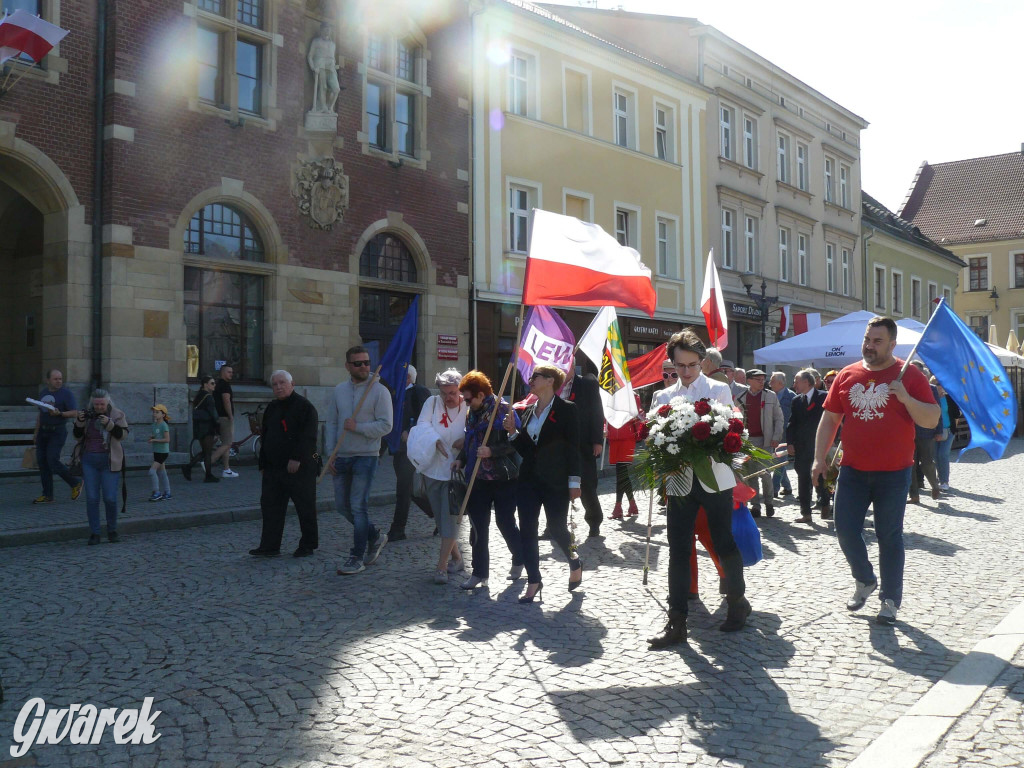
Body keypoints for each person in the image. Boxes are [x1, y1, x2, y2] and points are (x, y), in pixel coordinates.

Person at [813, 316, 939, 625]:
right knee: (844, 529)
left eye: (877, 341)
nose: (870, 346)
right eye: (867, 340)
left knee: (889, 536)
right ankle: (865, 579)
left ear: (893, 344)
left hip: (894, 473)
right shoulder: (847, 374)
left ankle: (890, 600)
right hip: (853, 470)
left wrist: (905, 398)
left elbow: (931, 419)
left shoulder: (908, 374)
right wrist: (818, 458)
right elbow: (830, 420)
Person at [648, 329, 751, 648]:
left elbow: (736, 429)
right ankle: (676, 621)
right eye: (680, 366)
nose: (687, 371)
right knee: (678, 547)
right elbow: (654, 439)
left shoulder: (719, 390)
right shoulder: (662, 397)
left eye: (692, 364)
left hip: (714, 479)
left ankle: (737, 602)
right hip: (679, 481)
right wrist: (662, 451)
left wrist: (714, 440)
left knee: (723, 541)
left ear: (703, 361)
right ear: (672, 364)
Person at [506, 364, 582, 603]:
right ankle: (534, 580)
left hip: (556, 480)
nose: (531, 379)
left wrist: (574, 481)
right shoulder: (527, 410)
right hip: (529, 478)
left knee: (557, 528)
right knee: (527, 528)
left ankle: (574, 560)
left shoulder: (567, 410)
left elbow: (573, 448)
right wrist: (513, 434)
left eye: (535, 376)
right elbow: (529, 450)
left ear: (550, 381)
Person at [327, 345, 394, 575]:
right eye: (358, 363)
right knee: (342, 507)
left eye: (367, 362)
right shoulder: (338, 391)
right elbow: (332, 424)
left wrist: (359, 427)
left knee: (358, 506)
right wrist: (329, 454)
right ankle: (375, 536)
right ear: (348, 366)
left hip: (366, 456)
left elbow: (386, 425)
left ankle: (356, 557)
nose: (364, 367)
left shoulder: (379, 391)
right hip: (342, 455)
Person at [456, 370, 524, 590]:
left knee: (504, 522)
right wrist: (461, 459)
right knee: (477, 526)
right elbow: (470, 441)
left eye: (468, 398)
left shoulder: (504, 410)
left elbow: (517, 443)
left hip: (504, 477)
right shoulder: (471, 413)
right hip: (478, 478)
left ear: (481, 394)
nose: (466, 403)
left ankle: (520, 557)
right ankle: (479, 573)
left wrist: (492, 451)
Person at [249, 371, 320, 558]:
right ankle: (270, 546)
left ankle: (308, 544)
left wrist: (297, 458)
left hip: (299, 467)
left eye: (282, 383)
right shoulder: (272, 407)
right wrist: (262, 464)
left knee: (305, 507)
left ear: (292, 384)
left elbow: (309, 437)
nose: (278, 387)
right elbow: (265, 436)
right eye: (274, 384)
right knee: (271, 507)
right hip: (273, 468)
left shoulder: (305, 407)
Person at [411, 369, 468, 584]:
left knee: (451, 519)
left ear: (460, 390)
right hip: (433, 468)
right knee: (440, 517)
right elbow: (422, 425)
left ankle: (441, 566)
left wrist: (466, 441)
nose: (449, 397)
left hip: (456, 473)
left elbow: (476, 430)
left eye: (453, 393)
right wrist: (434, 439)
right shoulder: (432, 403)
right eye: (445, 393)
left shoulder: (467, 406)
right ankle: (457, 557)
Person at [73, 389, 129, 545]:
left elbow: (123, 435)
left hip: (109, 461)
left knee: (110, 498)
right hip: (89, 460)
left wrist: (110, 425)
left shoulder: (117, 414)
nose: (98, 407)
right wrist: (79, 421)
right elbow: (77, 435)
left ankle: (112, 530)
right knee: (92, 498)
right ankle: (95, 533)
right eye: (96, 404)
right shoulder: (87, 414)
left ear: (108, 402)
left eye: (102, 404)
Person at [389, 364, 432, 542]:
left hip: (413, 448)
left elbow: (426, 418)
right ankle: (439, 514)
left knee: (403, 489)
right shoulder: (393, 393)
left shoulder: (419, 392)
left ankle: (398, 529)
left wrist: (410, 430)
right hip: (398, 448)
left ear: (408, 377)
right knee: (410, 490)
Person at [561, 372, 605, 537]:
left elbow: (596, 410)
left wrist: (597, 440)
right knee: (557, 487)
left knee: (586, 485)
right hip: (558, 444)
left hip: (583, 442)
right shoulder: (551, 382)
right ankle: (555, 525)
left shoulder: (587, 383)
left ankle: (594, 521)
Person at [735, 369, 784, 517]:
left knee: (765, 473)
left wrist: (776, 436)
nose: (762, 382)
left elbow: (779, 418)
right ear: (749, 381)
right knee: (751, 474)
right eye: (758, 379)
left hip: (766, 440)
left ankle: (769, 502)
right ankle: (756, 506)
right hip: (747, 441)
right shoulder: (740, 398)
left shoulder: (771, 396)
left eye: (763, 379)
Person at [31, 369, 82, 503]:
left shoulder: (66, 394)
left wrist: (60, 414)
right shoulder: (43, 393)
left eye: (60, 379)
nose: (59, 381)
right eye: (55, 379)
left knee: (52, 460)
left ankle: (75, 483)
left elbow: (75, 412)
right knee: (43, 463)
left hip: (57, 432)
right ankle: (47, 495)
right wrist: (36, 432)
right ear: (48, 380)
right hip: (43, 432)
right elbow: (40, 414)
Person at [787, 369, 828, 523]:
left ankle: (825, 502)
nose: (794, 384)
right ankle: (806, 513)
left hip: (820, 445)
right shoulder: (796, 401)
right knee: (803, 478)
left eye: (797, 380)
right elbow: (792, 423)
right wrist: (790, 442)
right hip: (802, 447)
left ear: (806, 382)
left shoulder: (823, 397)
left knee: (821, 478)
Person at [907, 361, 942, 504]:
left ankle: (934, 485)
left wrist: (938, 431)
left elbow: (937, 412)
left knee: (927, 462)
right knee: (910, 464)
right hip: (908, 432)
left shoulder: (932, 388)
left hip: (926, 431)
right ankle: (914, 495)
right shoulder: (905, 388)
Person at [607, 393, 643, 521]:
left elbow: (637, 413)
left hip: (626, 435)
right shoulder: (608, 394)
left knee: (621, 472)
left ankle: (618, 507)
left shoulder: (632, 395)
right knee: (622, 473)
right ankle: (631, 505)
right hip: (613, 436)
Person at [183, 376, 220, 483]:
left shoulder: (199, 396)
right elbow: (214, 415)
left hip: (199, 428)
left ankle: (190, 468)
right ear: (205, 384)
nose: (214, 385)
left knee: (205, 452)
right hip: (207, 428)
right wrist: (218, 430)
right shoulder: (208, 397)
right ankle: (206, 475)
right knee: (207, 453)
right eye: (212, 383)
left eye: (214, 383)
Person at [769, 372, 795, 499]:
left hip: (786, 435)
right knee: (780, 461)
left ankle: (774, 488)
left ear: (780, 383)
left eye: (772, 381)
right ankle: (788, 487)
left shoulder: (791, 396)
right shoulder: (770, 395)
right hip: (773, 433)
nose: (769, 383)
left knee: (780, 462)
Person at [931, 375, 959, 491]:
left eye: (940, 384)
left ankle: (944, 481)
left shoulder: (949, 398)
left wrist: (953, 429)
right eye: (937, 384)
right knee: (935, 456)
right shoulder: (930, 397)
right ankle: (938, 478)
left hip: (948, 430)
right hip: (933, 430)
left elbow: (956, 414)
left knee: (943, 455)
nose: (939, 386)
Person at [307, 22, 341, 113]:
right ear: (321, 30)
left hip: (331, 67)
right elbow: (310, 55)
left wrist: (336, 65)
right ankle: (322, 107)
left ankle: (330, 107)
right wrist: (313, 67)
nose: (328, 30)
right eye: (326, 28)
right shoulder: (316, 41)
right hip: (320, 65)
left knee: (336, 89)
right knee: (323, 87)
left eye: (329, 29)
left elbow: (333, 57)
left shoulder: (333, 44)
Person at [212, 364, 237, 478]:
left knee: (225, 443)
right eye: (229, 372)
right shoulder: (225, 385)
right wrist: (230, 416)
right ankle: (208, 462)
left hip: (218, 417)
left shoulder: (217, 384)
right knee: (228, 443)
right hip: (225, 418)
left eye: (232, 372)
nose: (231, 374)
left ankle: (226, 469)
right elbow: (226, 401)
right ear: (222, 372)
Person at [147, 405, 172, 501]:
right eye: (154, 412)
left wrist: (154, 440)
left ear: (163, 414)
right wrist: (151, 438)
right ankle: (167, 492)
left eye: (157, 412)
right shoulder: (154, 425)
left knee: (152, 471)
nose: (154, 414)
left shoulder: (164, 425)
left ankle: (156, 492)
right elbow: (154, 435)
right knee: (162, 472)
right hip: (156, 451)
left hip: (163, 452)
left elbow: (167, 439)